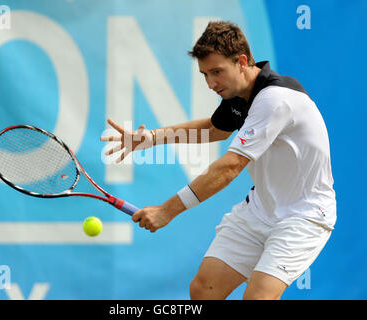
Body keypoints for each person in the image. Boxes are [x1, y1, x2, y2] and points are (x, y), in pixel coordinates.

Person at [100, 21, 336, 300]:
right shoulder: (241, 95)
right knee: (203, 290)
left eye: (217, 72)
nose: (211, 84)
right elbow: (215, 129)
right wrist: (152, 138)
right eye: (205, 75)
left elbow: (230, 168)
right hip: (261, 209)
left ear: (242, 61)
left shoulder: (275, 99)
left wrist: (167, 211)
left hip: (303, 216)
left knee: (257, 297)